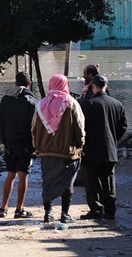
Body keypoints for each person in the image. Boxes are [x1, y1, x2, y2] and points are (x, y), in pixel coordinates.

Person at [32, 74, 85, 223]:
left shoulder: (41, 104)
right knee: (68, 183)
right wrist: (80, 145)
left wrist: (37, 147)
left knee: (47, 182)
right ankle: (64, 213)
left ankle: (48, 213)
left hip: (46, 151)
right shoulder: (71, 103)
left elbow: (34, 129)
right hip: (68, 152)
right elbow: (80, 128)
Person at [80, 75, 127, 220]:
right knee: (109, 181)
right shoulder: (117, 104)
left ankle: (96, 209)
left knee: (92, 180)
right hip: (110, 149)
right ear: (106, 86)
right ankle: (110, 210)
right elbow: (123, 127)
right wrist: (113, 138)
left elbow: (80, 126)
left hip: (91, 148)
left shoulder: (88, 105)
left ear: (93, 87)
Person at [0, 71, 36, 219]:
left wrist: (5, 140)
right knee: (23, 175)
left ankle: (3, 208)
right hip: (25, 143)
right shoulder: (30, 101)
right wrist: (35, 145)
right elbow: (34, 126)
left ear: (15, 82)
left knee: (10, 174)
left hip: (9, 142)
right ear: (29, 84)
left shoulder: (5, 99)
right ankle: (19, 209)